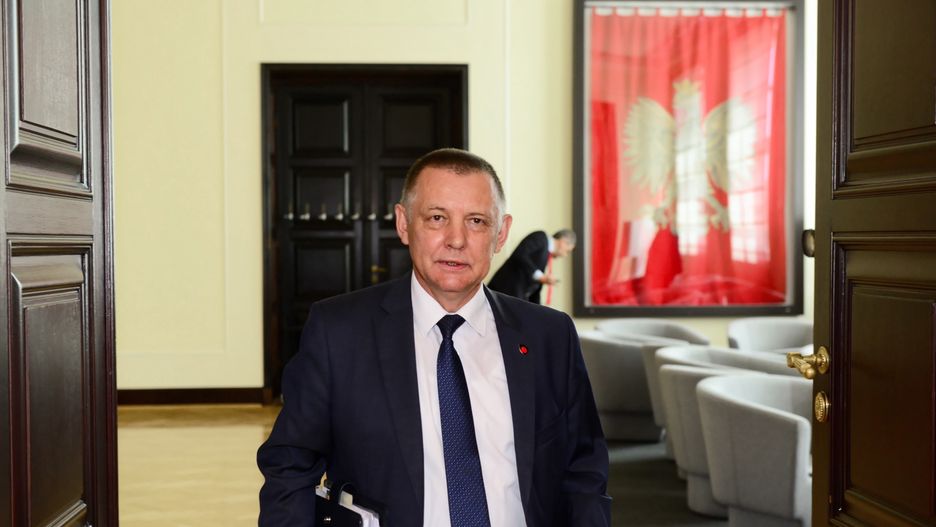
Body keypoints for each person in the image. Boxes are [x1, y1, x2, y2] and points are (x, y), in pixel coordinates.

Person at [257, 148, 610, 527]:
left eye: (476, 221)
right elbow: (290, 467)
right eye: (437, 218)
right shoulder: (339, 332)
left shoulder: (549, 336)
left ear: (501, 233)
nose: (456, 239)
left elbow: (583, 471)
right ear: (404, 223)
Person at [487, 229, 576, 304]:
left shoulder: (546, 253)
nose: (565, 255)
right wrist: (541, 276)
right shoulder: (540, 237)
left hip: (512, 299)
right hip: (502, 294)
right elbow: (520, 254)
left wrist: (538, 310)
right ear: (563, 242)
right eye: (568, 251)